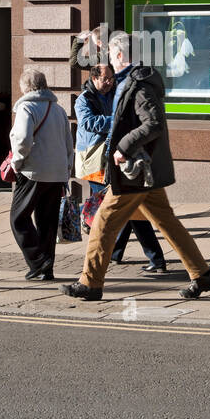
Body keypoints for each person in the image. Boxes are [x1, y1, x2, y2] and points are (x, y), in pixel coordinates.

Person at [60, 31, 210, 301]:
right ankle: (202, 274)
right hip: (144, 172)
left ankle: (90, 283)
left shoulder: (139, 85)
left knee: (103, 223)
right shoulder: (129, 81)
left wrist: (123, 148)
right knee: (168, 223)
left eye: (111, 54)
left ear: (120, 55)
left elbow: (153, 124)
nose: (108, 59)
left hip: (136, 171)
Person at [75, 62, 168, 274]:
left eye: (111, 78)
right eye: (105, 79)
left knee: (124, 209)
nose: (110, 82)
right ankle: (121, 254)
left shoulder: (115, 93)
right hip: (96, 161)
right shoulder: (83, 100)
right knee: (119, 209)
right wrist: (118, 121)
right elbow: (90, 123)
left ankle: (143, 257)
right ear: (94, 78)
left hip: (116, 158)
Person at [9, 68, 74, 281]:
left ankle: (38, 261)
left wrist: (17, 162)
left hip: (33, 171)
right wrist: (66, 170)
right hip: (57, 173)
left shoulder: (26, 107)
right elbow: (68, 143)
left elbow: (22, 139)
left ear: (26, 87)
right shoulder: (58, 109)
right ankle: (47, 269)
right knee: (47, 221)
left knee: (18, 218)